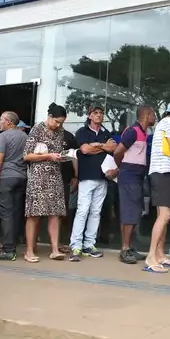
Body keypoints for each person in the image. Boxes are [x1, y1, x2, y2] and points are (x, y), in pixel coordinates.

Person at [70, 106, 117, 262]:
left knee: (96, 212)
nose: (99, 115)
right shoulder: (82, 132)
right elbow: (84, 150)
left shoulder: (106, 133)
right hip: (86, 177)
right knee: (82, 211)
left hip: (102, 177)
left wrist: (96, 146)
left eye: (101, 113)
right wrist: (103, 146)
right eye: (95, 113)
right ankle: (76, 245)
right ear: (89, 116)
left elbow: (113, 148)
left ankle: (89, 245)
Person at [143, 102, 170, 273]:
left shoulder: (163, 123)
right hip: (164, 173)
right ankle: (151, 257)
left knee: (163, 215)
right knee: (166, 215)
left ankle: (160, 255)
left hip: (159, 172)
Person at [22, 103, 69, 262]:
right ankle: (29, 251)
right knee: (34, 213)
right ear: (49, 117)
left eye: (61, 122)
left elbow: (57, 151)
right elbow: (27, 156)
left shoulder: (60, 131)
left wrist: (61, 156)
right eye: (56, 121)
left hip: (55, 176)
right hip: (38, 177)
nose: (58, 125)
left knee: (55, 214)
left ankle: (55, 249)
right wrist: (48, 156)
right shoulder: (37, 129)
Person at [113, 105, 156, 264]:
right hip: (129, 176)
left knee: (134, 211)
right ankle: (124, 249)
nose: (154, 118)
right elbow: (117, 152)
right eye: (153, 115)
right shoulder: (132, 131)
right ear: (147, 115)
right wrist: (121, 167)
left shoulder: (144, 133)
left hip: (137, 177)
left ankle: (128, 248)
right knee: (130, 212)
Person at [0, 111, 28, 262]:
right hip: (22, 177)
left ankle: (8, 250)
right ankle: (14, 243)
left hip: (6, 177)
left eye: (0, 120)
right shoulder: (25, 136)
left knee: (6, 214)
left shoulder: (3, 136)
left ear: (9, 122)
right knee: (16, 213)